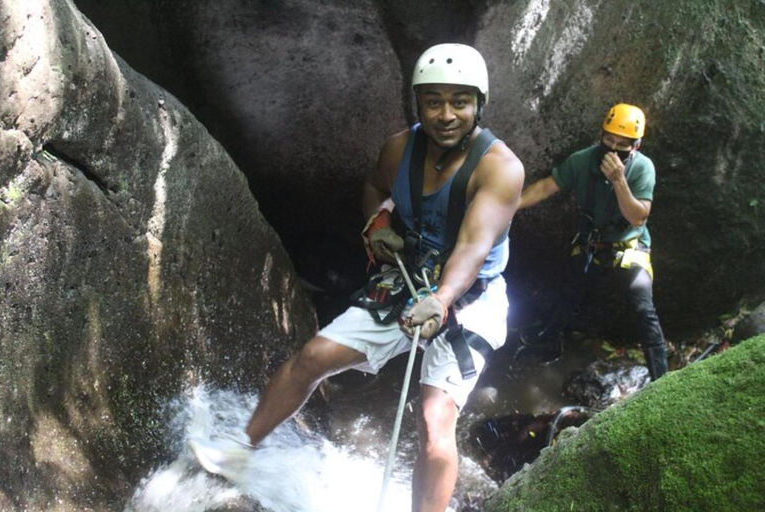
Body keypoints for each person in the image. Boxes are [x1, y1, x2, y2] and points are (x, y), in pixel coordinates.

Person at [243, 43, 524, 511]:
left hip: (470, 298)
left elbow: (474, 245)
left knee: (434, 422)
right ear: (418, 104)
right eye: (434, 101)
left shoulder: (500, 168)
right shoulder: (399, 149)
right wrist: (378, 223)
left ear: (480, 105)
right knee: (313, 357)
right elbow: (375, 186)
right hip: (409, 280)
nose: (447, 114)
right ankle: (238, 452)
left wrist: (443, 299)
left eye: (460, 101)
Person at [517, 104, 668, 380]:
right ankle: (548, 341)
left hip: (629, 246)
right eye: (608, 140)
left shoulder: (643, 168)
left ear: (636, 145)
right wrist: (512, 204)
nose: (612, 148)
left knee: (642, 307)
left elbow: (638, 216)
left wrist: (619, 180)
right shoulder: (583, 160)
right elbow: (547, 186)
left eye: (622, 144)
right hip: (591, 243)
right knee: (568, 292)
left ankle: (663, 377)